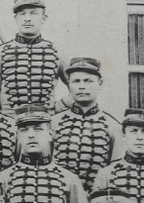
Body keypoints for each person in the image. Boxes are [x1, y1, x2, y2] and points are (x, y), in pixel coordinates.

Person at [52, 56, 122, 192]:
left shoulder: (113, 126)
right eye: (76, 81)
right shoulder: (54, 123)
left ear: (100, 83)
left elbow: (116, 172)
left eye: (88, 81)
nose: (82, 86)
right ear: (69, 85)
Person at [0, 0, 63, 111]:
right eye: (22, 14)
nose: (27, 19)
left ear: (43, 18)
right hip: (10, 122)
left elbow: (77, 84)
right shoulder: (0, 52)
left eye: (33, 14)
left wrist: (58, 108)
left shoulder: (55, 52)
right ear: (16, 18)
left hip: (45, 123)